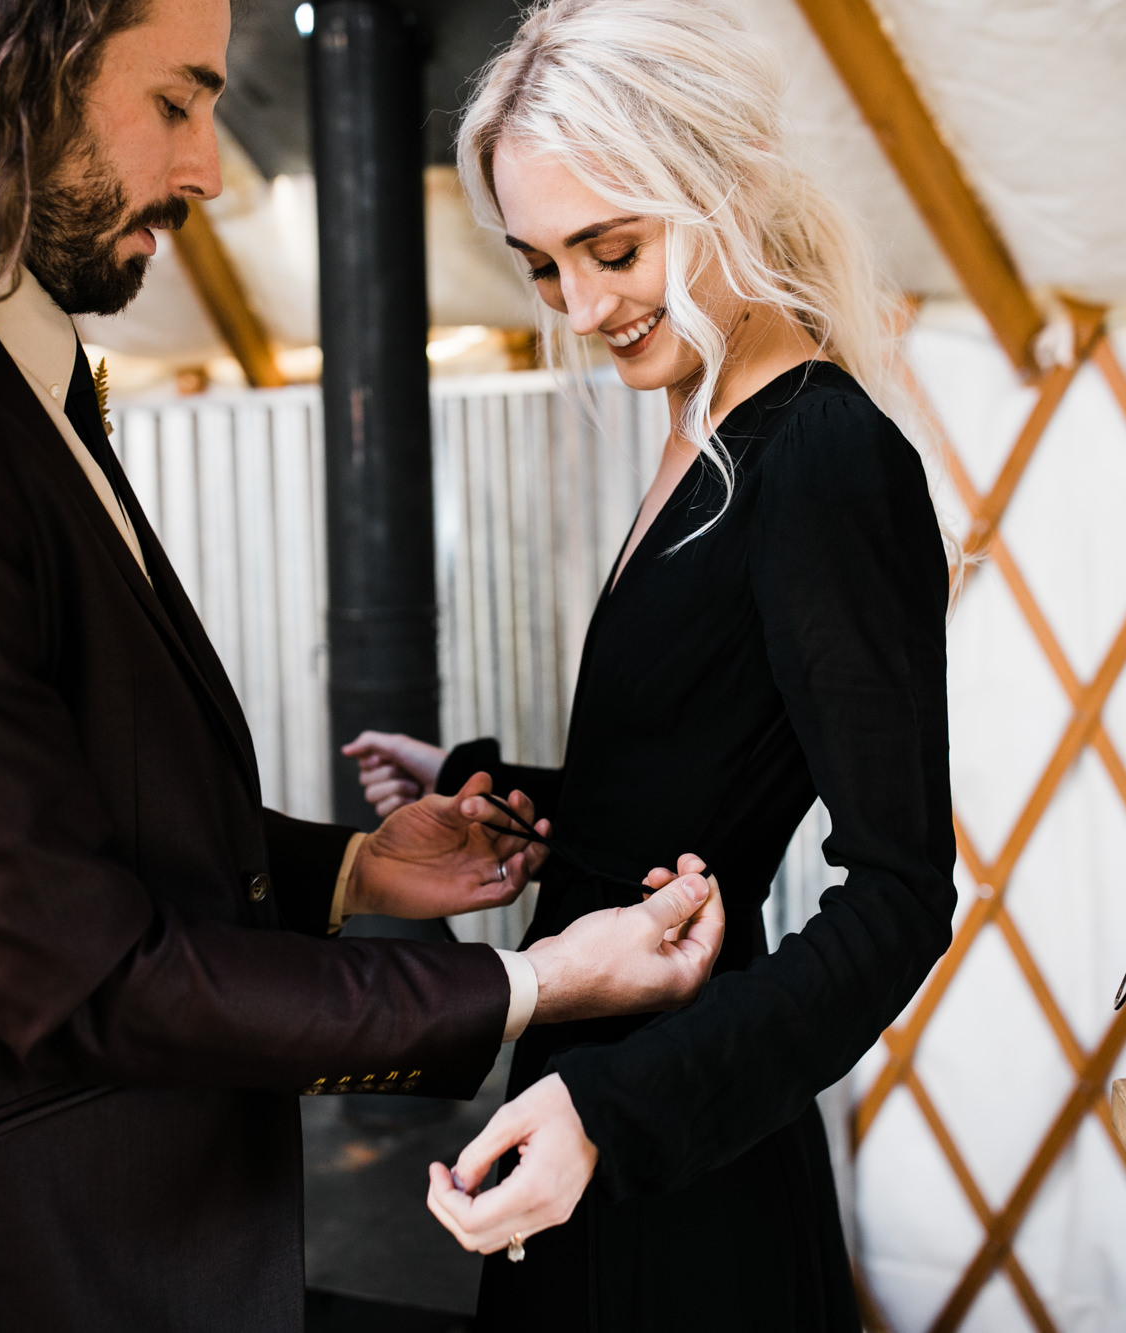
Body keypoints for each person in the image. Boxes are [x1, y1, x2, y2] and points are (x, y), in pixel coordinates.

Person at [0, 0, 726, 1329]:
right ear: (13, 76)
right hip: (9, 1263)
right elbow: (84, 967)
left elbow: (70, 808)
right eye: (175, 103)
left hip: (134, 1227)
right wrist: (538, 980)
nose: (211, 169)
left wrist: (349, 867)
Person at [344, 2, 958, 1327]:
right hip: (581, 1105)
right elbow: (680, 775)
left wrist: (617, 1115)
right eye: (545, 265)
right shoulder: (702, 425)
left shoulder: (824, 460)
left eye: (612, 248)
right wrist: (477, 781)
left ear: (726, 182)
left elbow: (901, 894)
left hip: (674, 1137)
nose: (582, 306)